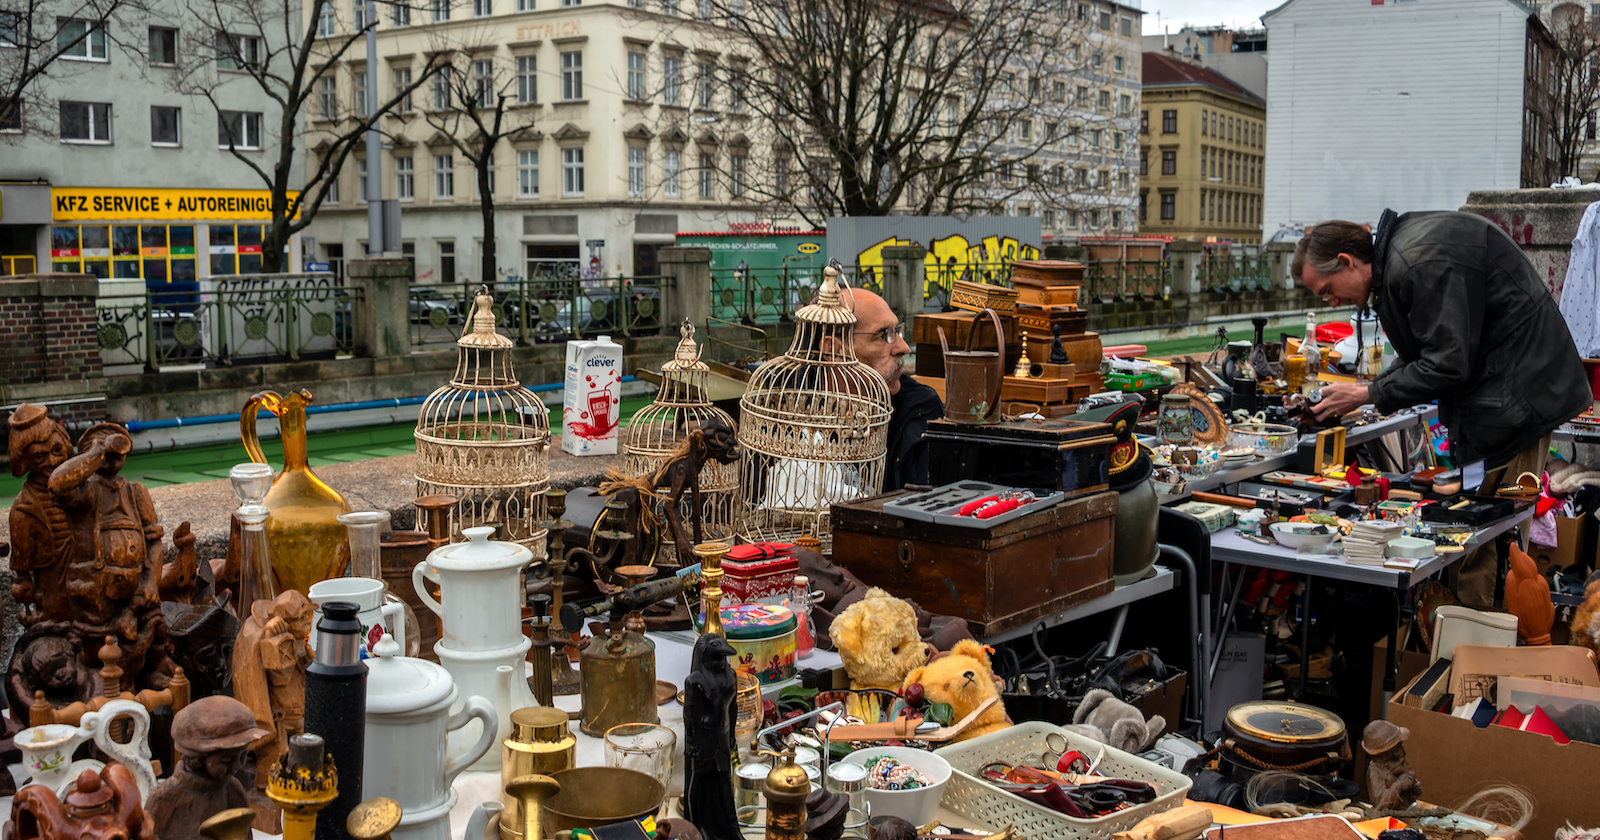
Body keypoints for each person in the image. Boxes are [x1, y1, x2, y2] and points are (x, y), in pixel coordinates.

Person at [1296, 209, 1589, 486]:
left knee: (1500, 526)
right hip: (1505, 395)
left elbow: (1447, 364)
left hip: (1519, 400)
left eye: (1327, 291)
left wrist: (1366, 393)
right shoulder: (1398, 260)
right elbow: (1424, 353)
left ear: (1347, 261)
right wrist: (1369, 391)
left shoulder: (1417, 263)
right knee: (1488, 524)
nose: (1332, 302)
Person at [841, 287, 944, 489]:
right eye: (883, 335)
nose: (903, 347)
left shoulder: (921, 407)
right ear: (833, 349)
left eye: (897, 331)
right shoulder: (783, 408)